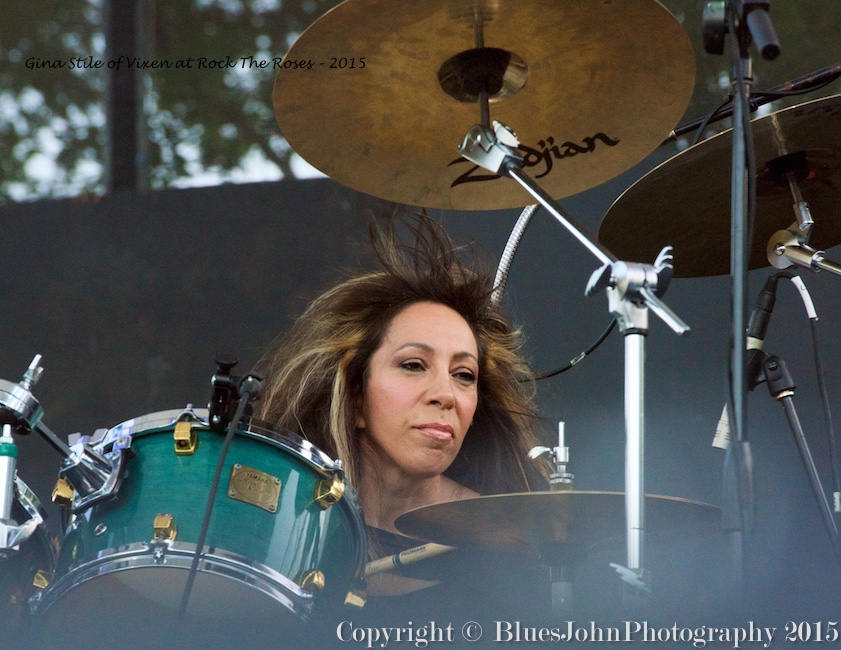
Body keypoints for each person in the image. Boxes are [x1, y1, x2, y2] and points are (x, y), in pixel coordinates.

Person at [255, 213, 551, 633]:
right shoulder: (280, 533)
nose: (445, 394)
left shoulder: (504, 549)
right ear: (356, 396)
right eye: (413, 365)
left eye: (464, 374)